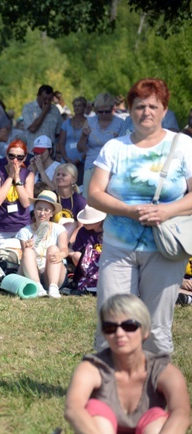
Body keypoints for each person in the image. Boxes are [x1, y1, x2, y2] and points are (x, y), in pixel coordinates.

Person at [88, 78, 192, 355]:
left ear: (164, 109)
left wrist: (166, 211)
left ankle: (154, 390)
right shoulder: (115, 148)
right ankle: (109, 389)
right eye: (139, 106)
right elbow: (95, 193)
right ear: (130, 110)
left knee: (156, 326)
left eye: (153, 106)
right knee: (112, 321)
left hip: (165, 249)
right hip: (118, 247)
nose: (146, 111)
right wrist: (130, 211)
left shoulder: (183, 146)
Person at [65, 294, 190, 434]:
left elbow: (181, 413)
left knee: (158, 422)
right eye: (110, 327)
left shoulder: (163, 370)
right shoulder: (93, 367)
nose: (119, 333)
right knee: (95, 412)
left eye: (129, 326)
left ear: (145, 331)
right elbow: (73, 409)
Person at [15, 190, 68, 298]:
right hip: (32, 271)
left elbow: (65, 249)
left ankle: (53, 287)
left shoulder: (59, 229)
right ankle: (37, 286)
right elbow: (25, 256)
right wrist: (28, 246)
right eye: (39, 209)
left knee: (53, 248)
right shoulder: (25, 231)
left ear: (52, 213)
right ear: (34, 210)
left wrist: (60, 255)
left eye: (46, 210)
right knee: (28, 251)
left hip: (53, 270)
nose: (42, 213)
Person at [78, 93, 124, 198]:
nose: (103, 114)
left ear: (113, 109)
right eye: (100, 111)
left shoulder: (120, 123)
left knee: (109, 200)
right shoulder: (89, 121)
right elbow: (80, 149)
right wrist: (84, 136)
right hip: (91, 166)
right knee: (89, 201)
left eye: (106, 111)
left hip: (112, 168)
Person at [0, 140, 35, 241]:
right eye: (12, 156)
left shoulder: (29, 174)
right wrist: (10, 177)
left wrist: (17, 178)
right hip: (0, 227)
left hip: (22, 226)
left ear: (25, 158)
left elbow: (26, 203)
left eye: (19, 157)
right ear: (6, 156)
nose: (15, 160)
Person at [22, 84, 62, 153]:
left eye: (50, 99)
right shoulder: (28, 108)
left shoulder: (55, 110)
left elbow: (58, 132)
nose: (47, 102)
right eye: (44, 99)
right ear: (38, 96)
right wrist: (44, 112)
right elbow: (32, 128)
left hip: (50, 153)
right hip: (33, 151)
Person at [57, 96, 86, 185]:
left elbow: (89, 144)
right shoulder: (66, 123)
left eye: (79, 106)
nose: (77, 108)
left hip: (81, 162)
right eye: (75, 106)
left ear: (84, 107)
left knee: (79, 187)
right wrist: (66, 158)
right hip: (66, 161)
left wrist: (79, 159)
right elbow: (61, 142)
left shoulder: (88, 123)